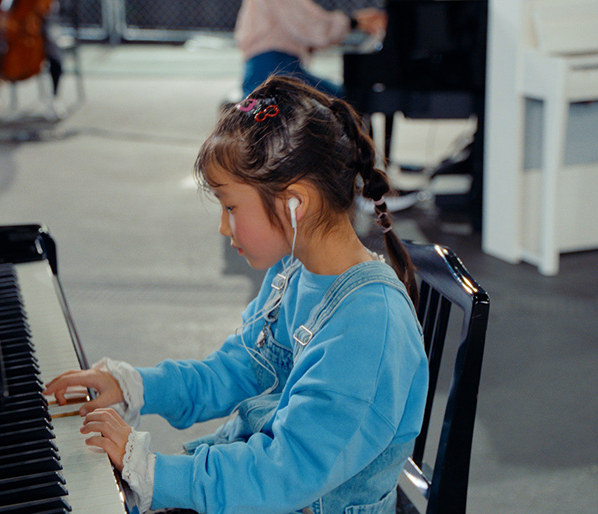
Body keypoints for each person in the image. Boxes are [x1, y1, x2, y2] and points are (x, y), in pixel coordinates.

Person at [44, 76, 428, 514]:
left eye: (230, 207)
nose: (224, 228)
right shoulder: (294, 271)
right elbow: (238, 369)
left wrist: (153, 471)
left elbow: (283, 473)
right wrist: (136, 385)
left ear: (294, 205)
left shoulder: (368, 327)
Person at [234, 0, 387, 98]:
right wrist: (354, 21)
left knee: (343, 97)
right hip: (275, 71)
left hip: (270, 69)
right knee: (343, 100)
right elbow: (312, 27)